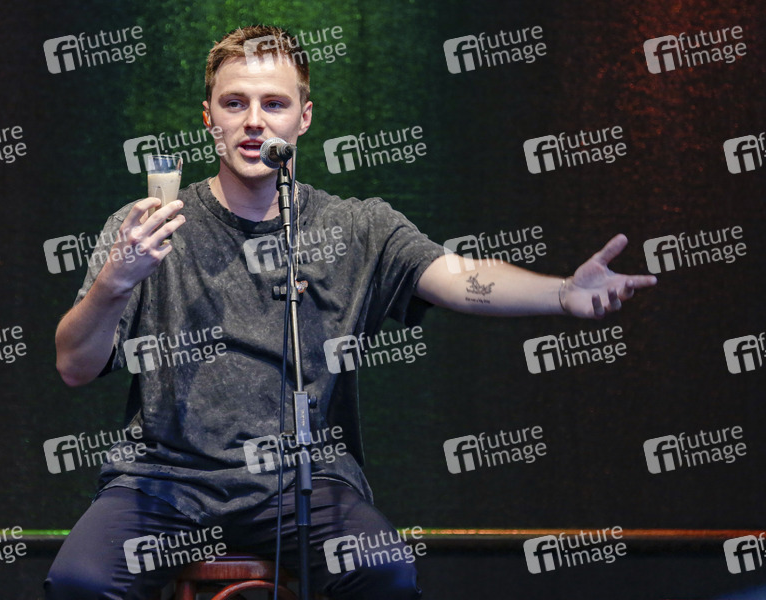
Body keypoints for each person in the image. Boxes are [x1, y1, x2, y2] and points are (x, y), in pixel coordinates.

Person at [45, 25, 657, 600]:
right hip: (165, 480)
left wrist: (561, 292)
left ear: (304, 117)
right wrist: (115, 282)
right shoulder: (147, 228)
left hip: (302, 481)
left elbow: (458, 277)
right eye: (234, 104)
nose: (254, 121)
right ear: (209, 119)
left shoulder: (356, 226)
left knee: (384, 569)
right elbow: (74, 366)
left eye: (274, 104)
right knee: (80, 582)